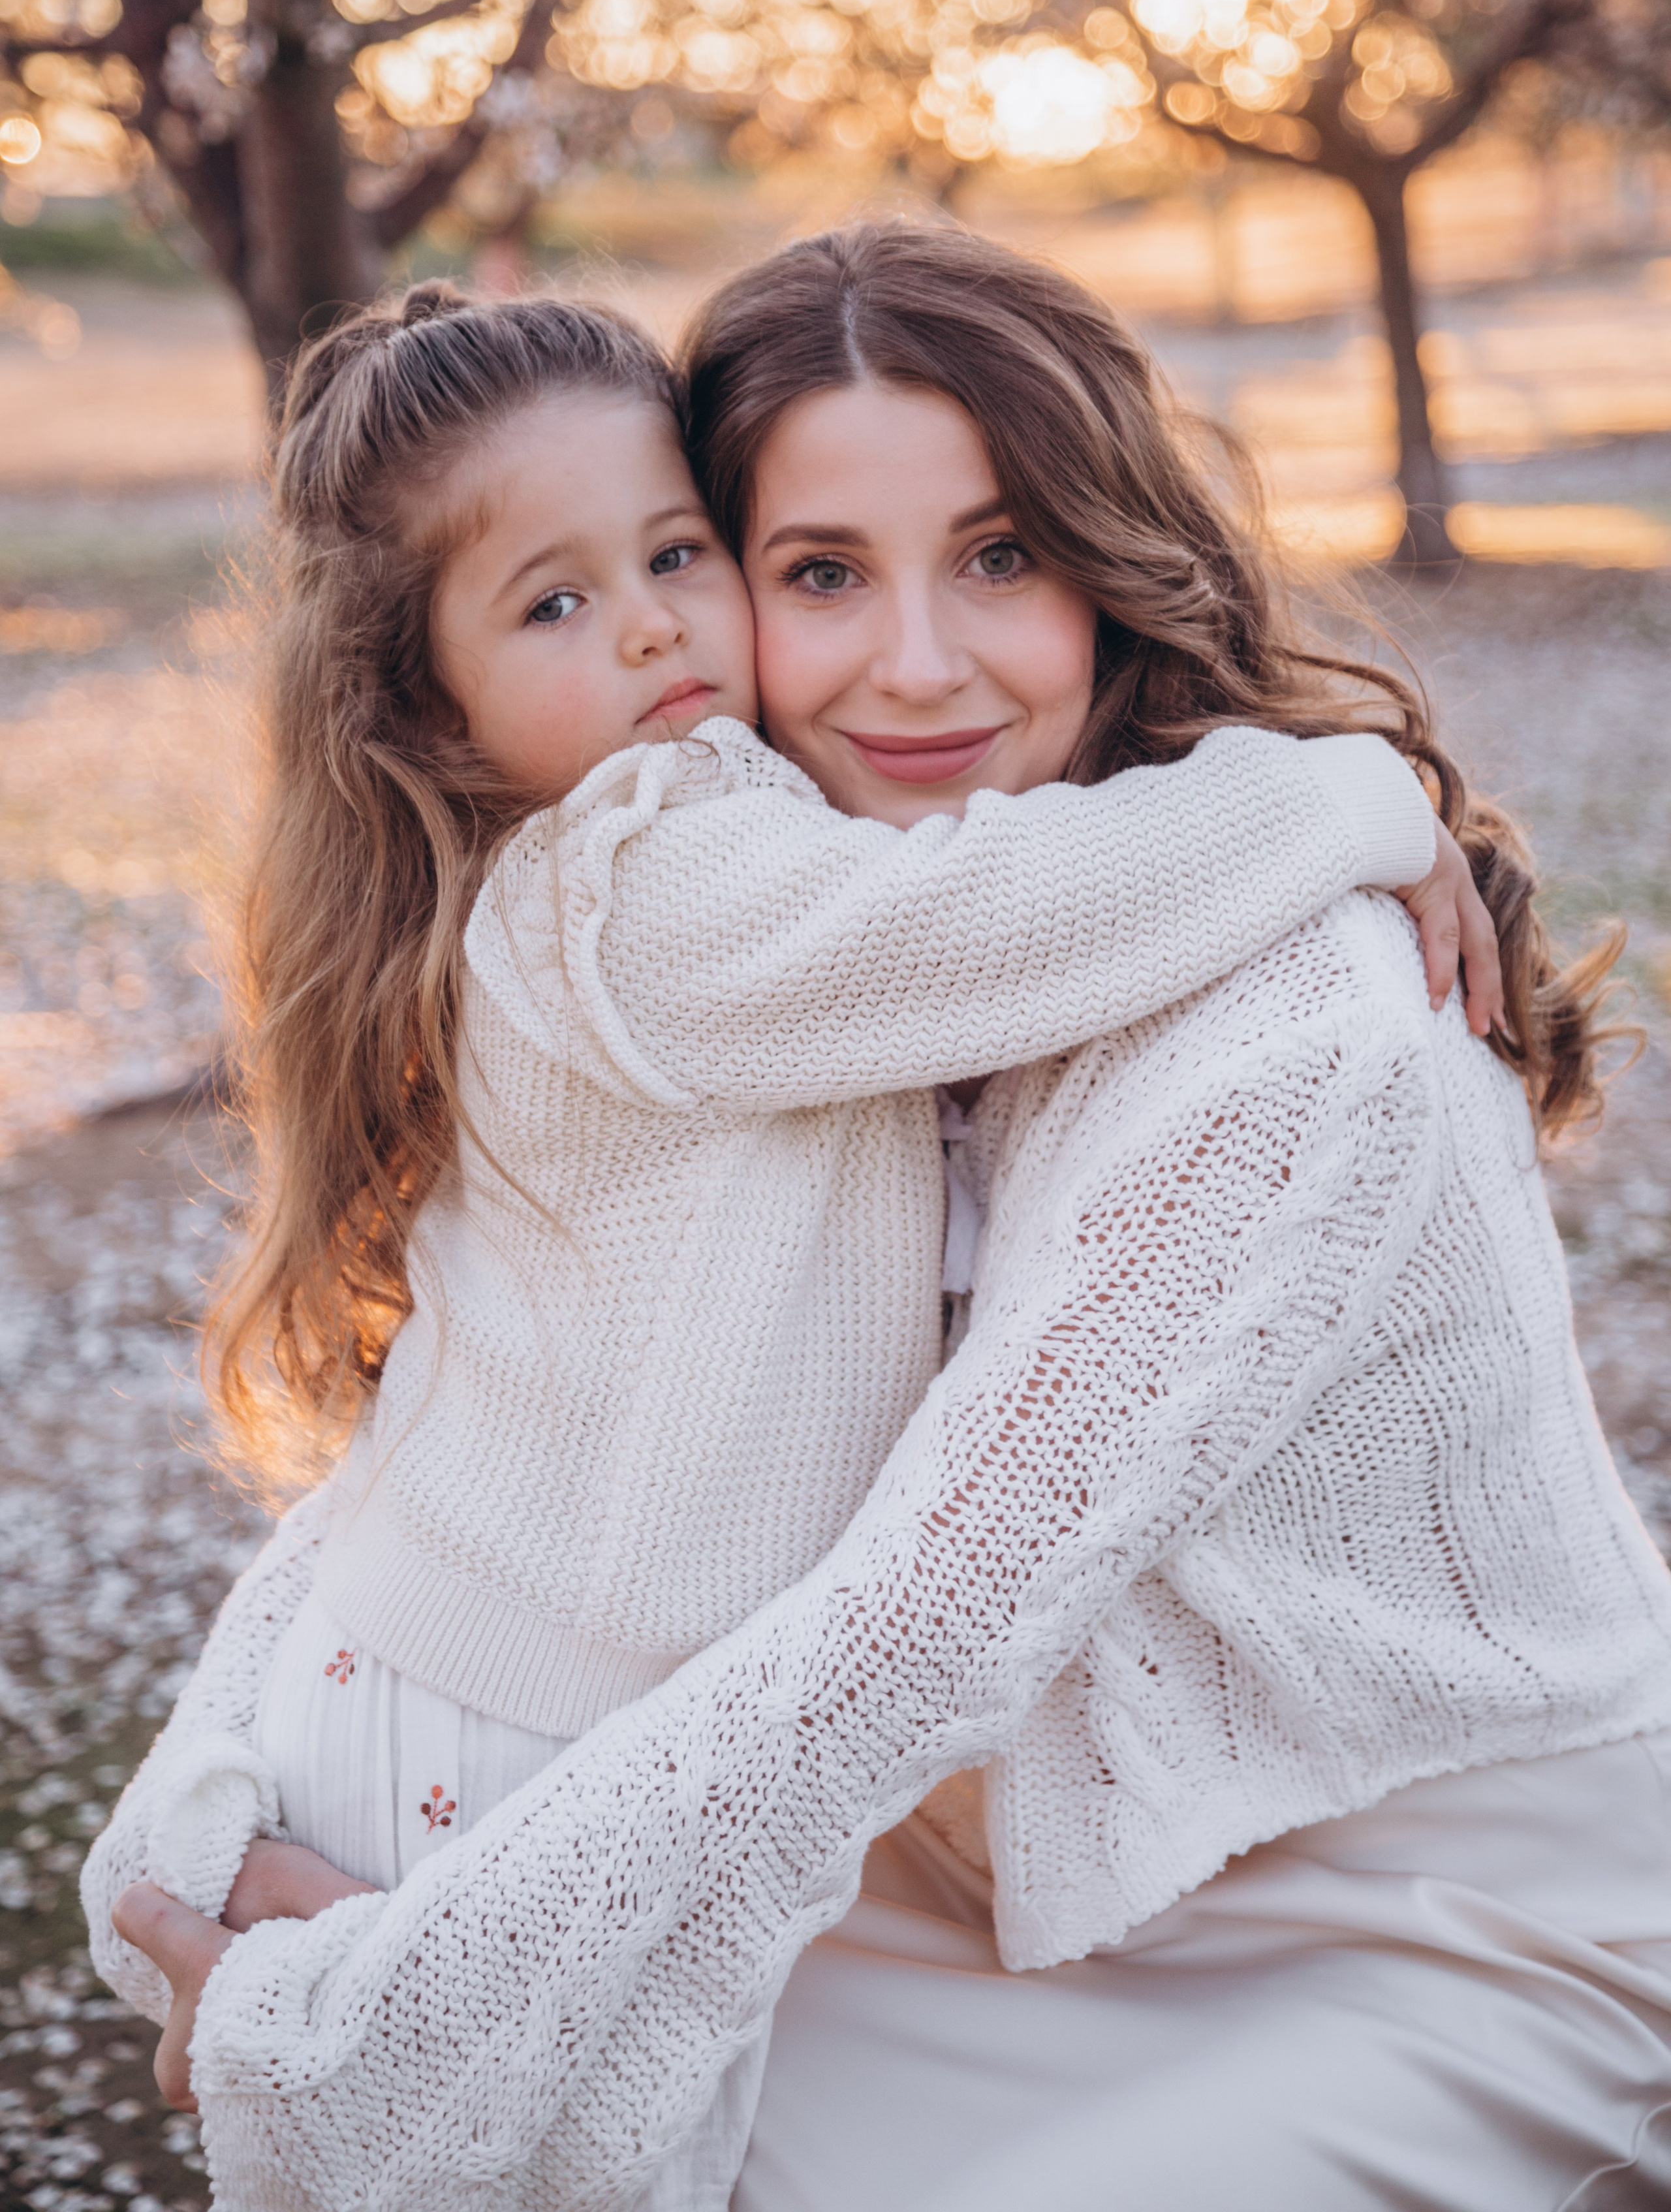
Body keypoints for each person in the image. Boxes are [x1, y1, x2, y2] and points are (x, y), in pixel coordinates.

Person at [81, 265, 1463, 2200]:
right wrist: (1353, 797)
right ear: (432, 707)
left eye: (674, 554)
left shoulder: (666, 864)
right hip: (512, 1732)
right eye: (553, 604)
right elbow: (1001, 912)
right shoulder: (644, 880)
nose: (651, 624)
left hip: (528, 1694)